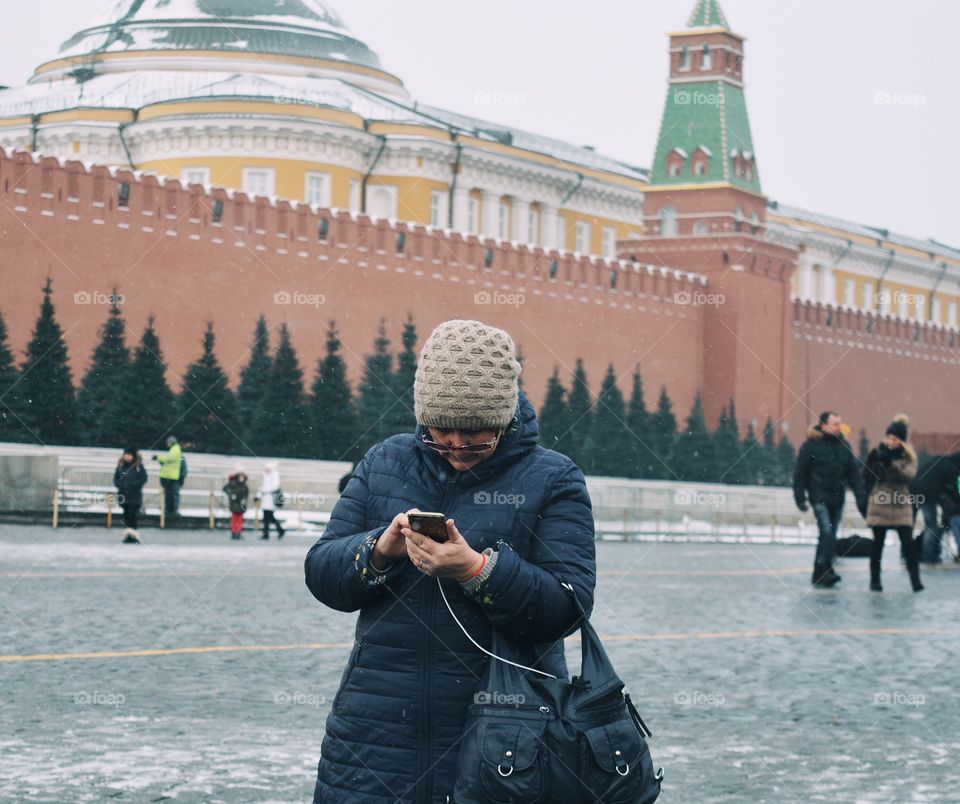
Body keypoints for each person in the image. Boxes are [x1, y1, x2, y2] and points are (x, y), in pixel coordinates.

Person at [304, 319, 596, 803]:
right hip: (374, 734)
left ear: (504, 418)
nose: (458, 447)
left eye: (477, 436)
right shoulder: (385, 461)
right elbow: (322, 573)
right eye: (441, 434)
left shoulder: (554, 478)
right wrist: (379, 550)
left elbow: (567, 607)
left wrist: (477, 571)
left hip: (508, 737)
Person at [793, 410, 864, 587]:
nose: (838, 427)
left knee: (830, 535)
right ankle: (821, 569)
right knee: (825, 531)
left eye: (839, 424)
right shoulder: (811, 446)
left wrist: (860, 496)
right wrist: (800, 497)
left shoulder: (844, 447)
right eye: (834, 424)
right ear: (824, 425)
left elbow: (853, 475)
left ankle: (824, 569)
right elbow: (800, 473)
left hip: (837, 498)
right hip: (819, 496)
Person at [863, 415, 922, 592]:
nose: (891, 441)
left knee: (908, 545)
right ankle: (875, 581)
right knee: (877, 546)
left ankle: (915, 581)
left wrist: (891, 464)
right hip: (880, 503)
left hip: (900, 504)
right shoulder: (880, 451)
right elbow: (867, 476)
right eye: (889, 437)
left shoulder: (908, 456)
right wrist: (872, 462)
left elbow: (908, 476)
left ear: (902, 440)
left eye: (895, 438)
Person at [909, 451, 960, 563]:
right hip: (927, 495)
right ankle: (929, 555)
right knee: (931, 525)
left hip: (913, 491)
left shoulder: (938, 460)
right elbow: (950, 489)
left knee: (909, 526)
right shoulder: (951, 468)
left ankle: (908, 553)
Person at [114, 448, 147, 544]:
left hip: (135, 495)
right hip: (123, 495)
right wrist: (120, 485)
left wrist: (135, 485)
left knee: (133, 515)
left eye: (129, 455)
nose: (127, 457)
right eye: (126, 455)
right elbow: (116, 478)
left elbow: (144, 478)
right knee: (126, 515)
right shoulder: (120, 466)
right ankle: (129, 535)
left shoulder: (138, 466)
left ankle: (133, 535)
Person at [153, 435, 182, 519]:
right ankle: (169, 509)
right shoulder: (175, 449)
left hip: (171, 476)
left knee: (171, 495)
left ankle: (171, 510)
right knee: (170, 494)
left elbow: (168, 458)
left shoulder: (175, 449)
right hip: (169, 476)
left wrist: (158, 457)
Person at [258, 461, 285, 540]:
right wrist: (259, 495)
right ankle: (277, 531)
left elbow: (275, 487)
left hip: (270, 500)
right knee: (268, 517)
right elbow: (263, 487)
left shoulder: (274, 476)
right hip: (265, 500)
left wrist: (264, 490)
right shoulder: (266, 476)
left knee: (268, 517)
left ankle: (268, 533)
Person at [223, 467, 249, 540]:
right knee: (234, 519)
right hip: (234, 505)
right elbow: (225, 489)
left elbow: (246, 495)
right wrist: (231, 495)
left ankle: (238, 532)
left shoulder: (244, 486)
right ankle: (234, 532)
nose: (241, 478)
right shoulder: (233, 484)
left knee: (240, 520)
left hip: (241, 505)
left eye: (242, 477)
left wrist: (244, 500)